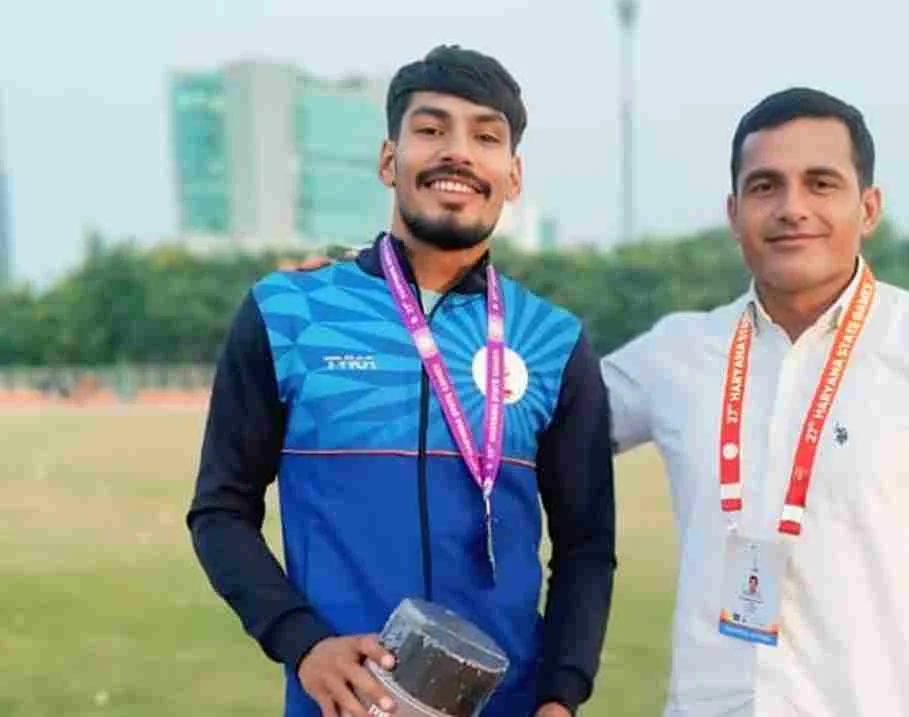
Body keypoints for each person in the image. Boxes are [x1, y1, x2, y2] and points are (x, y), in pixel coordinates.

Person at [602, 87, 909, 716]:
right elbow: (523, 424)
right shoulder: (676, 354)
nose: (791, 208)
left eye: (821, 183)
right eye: (766, 186)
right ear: (734, 212)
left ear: (869, 207)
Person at [186, 45, 616, 717]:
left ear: (512, 175)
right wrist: (303, 643)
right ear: (390, 160)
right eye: (431, 129)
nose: (458, 152)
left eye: (485, 137)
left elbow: (586, 545)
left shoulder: (552, 340)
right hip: (342, 702)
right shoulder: (289, 314)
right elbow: (220, 511)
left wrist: (562, 696)